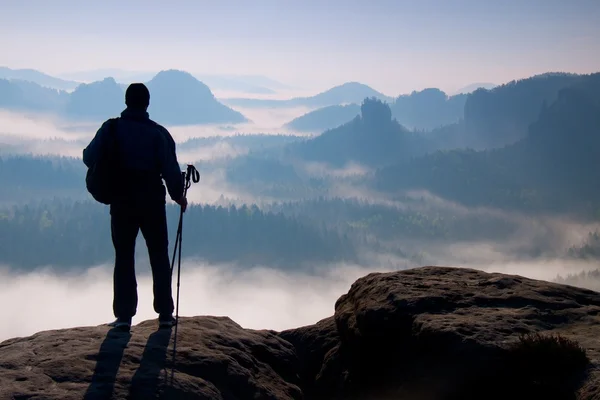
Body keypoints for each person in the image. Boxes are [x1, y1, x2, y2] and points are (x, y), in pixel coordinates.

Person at [83, 83, 187, 331]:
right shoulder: (158, 134)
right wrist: (179, 196)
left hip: (121, 200)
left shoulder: (111, 129)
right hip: (151, 200)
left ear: (126, 101)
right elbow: (171, 171)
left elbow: (89, 157)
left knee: (124, 256)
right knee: (159, 255)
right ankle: (164, 314)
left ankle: (124, 317)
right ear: (147, 103)